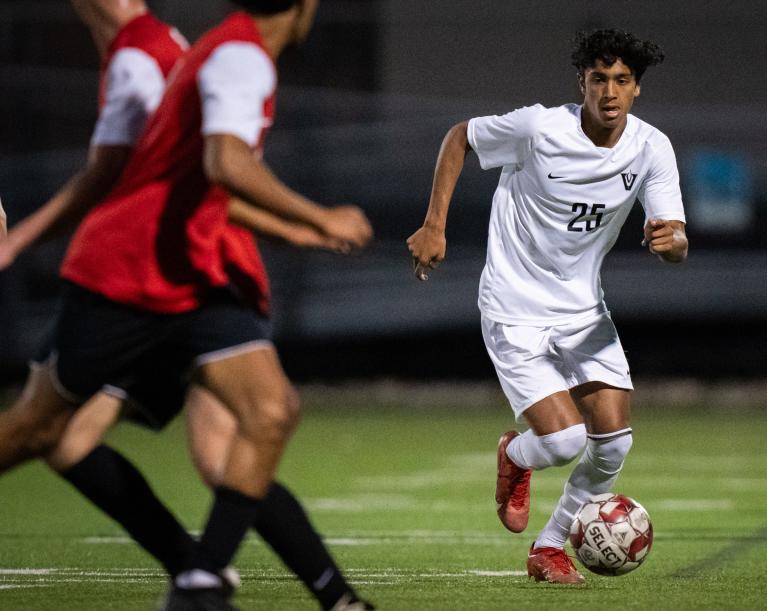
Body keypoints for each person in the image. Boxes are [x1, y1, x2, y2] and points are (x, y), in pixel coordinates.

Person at [0, 0, 374, 608]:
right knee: (41, 432)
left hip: (192, 272)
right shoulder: (234, 54)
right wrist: (315, 216)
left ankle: (214, 582)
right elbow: (221, 163)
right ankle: (213, 576)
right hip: (132, 272)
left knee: (268, 412)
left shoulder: (185, 48)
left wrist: (297, 229)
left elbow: (183, 175)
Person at [407, 29, 688, 584]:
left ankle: (550, 547)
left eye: (622, 81)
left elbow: (675, 237)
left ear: (637, 91)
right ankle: (517, 456)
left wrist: (671, 244)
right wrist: (434, 224)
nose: (610, 92)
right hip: (514, 306)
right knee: (563, 441)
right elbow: (460, 137)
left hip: (583, 311)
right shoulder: (539, 129)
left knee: (613, 443)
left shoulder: (652, 148)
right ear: (581, 82)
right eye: (599, 79)